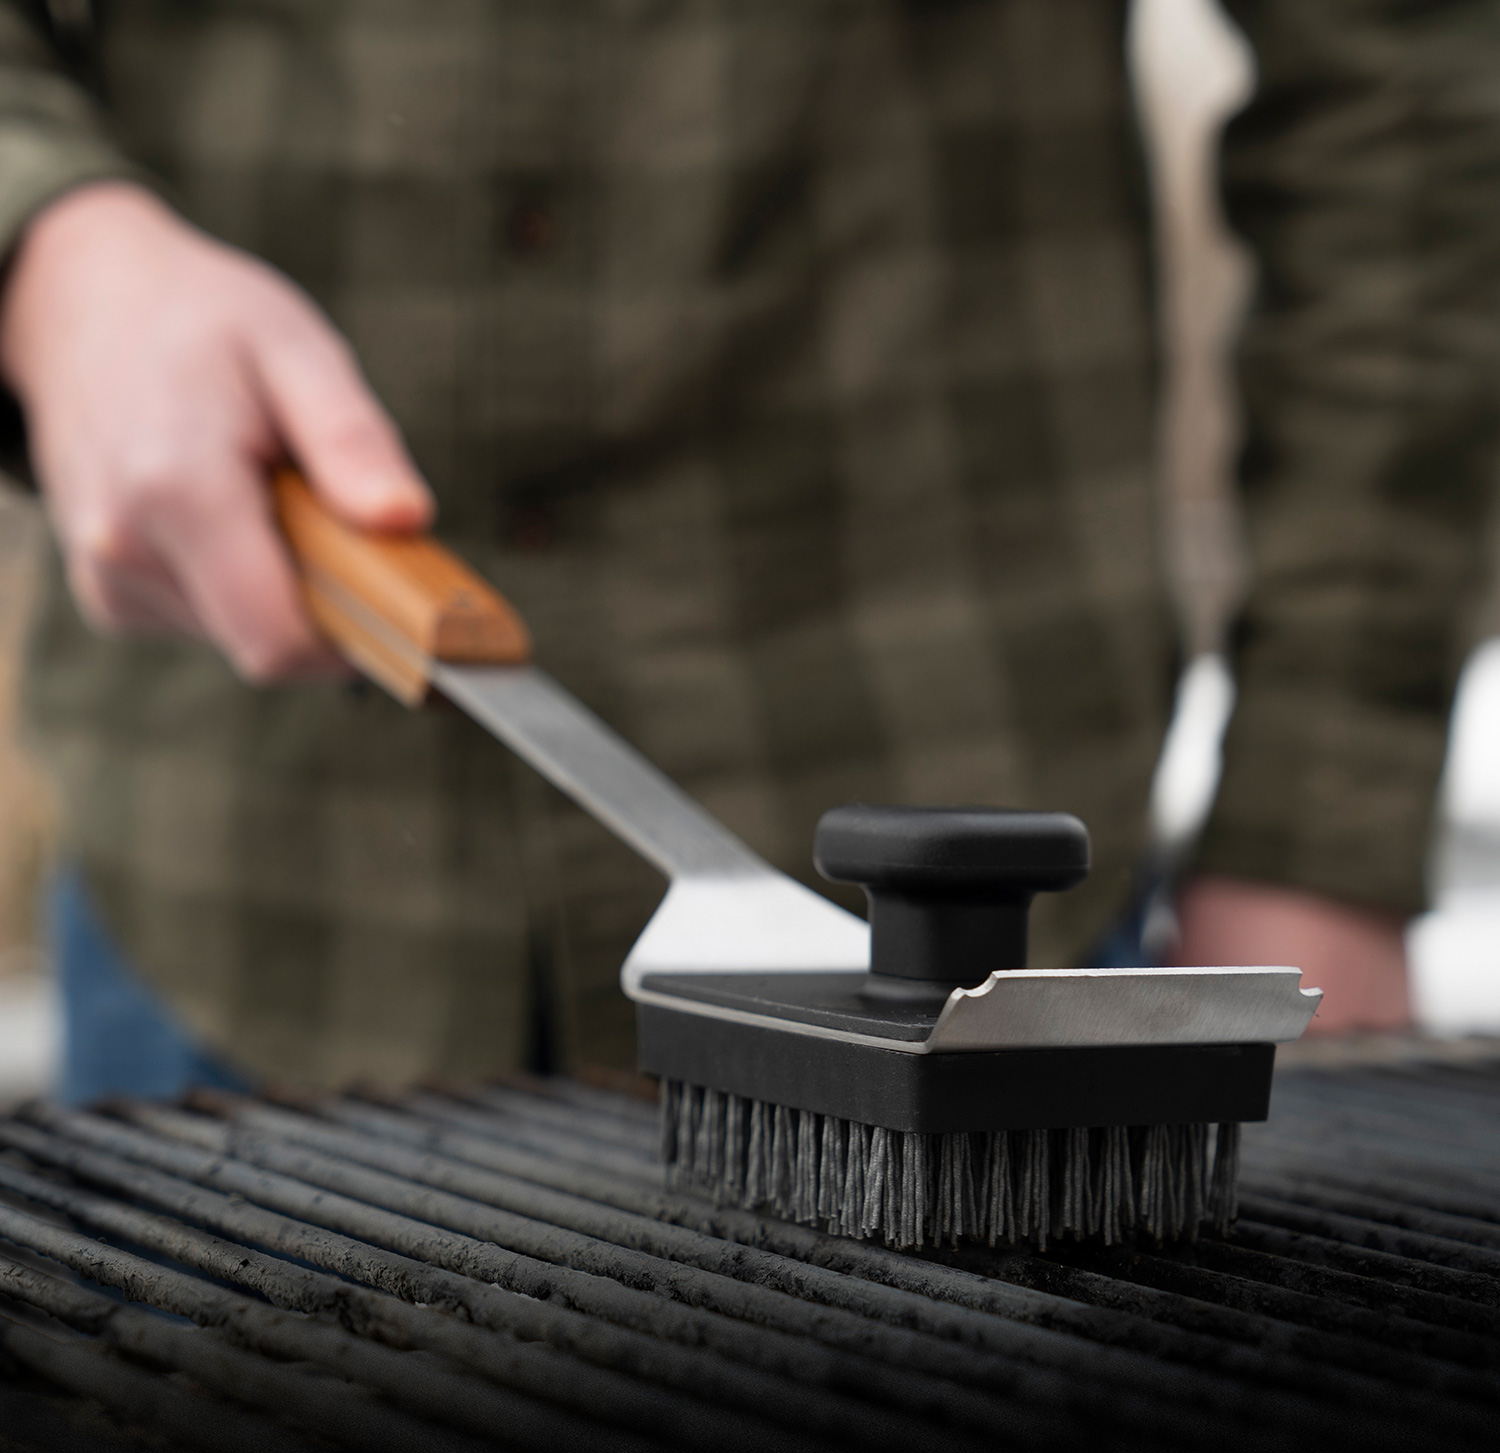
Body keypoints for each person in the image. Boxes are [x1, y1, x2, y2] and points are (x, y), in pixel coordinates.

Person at [0, 0, 1480, 1102]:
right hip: (237, 907)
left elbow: (1409, 82)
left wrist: (1318, 828)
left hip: (991, 897)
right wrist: (50, 252)